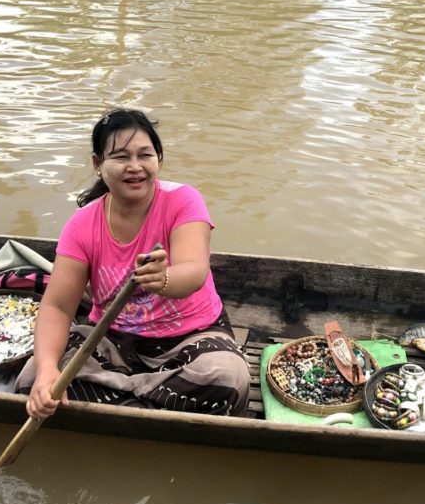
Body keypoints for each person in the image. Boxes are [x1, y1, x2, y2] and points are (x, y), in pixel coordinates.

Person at [16, 108, 250, 419]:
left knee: (227, 378)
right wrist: (47, 370)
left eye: (145, 155)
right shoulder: (83, 224)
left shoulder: (183, 200)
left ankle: (122, 401)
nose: (135, 167)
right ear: (98, 164)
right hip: (113, 339)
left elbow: (194, 270)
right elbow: (58, 307)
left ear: (159, 159)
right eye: (121, 157)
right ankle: (154, 404)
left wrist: (164, 278)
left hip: (190, 338)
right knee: (33, 379)